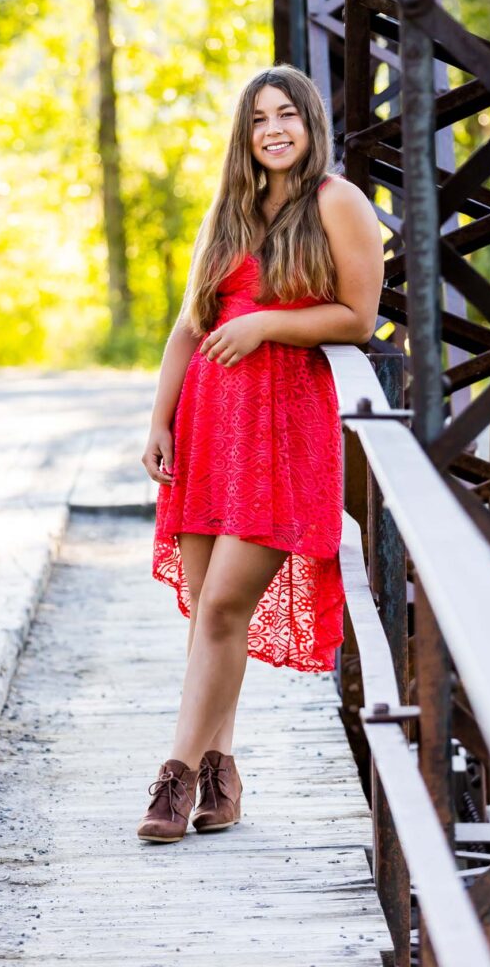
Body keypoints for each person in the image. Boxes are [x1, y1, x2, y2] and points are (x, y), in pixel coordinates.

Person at [137, 63, 384, 843]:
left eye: (288, 116)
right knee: (211, 617)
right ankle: (221, 773)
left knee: (220, 608)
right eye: (259, 119)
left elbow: (358, 317)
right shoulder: (233, 208)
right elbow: (188, 326)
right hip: (210, 427)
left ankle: (173, 777)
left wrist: (267, 325)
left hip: (281, 431)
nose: (273, 129)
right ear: (245, 134)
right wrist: (160, 421)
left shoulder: (336, 202)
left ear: (311, 125)